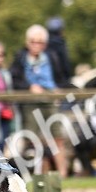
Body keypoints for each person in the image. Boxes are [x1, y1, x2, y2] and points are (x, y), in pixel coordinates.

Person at [9, 24, 68, 175]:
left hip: (50, 101)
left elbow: (63, 77)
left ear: (45, 44)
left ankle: (63, 174)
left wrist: (58, 90)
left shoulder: (52, 57)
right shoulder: (20, 57)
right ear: (27, 42)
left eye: (40, 42)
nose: (36, 45)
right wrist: (29, 87)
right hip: (30, 103)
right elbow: (14, 80)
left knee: (57, 138)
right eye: (33, 41)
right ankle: (35, 173)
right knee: (32, 139)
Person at [45, 17, 74, 89]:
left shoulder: (44, 45)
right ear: (61, 31)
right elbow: (66, 67)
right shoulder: (61, 45)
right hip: (61, 84)